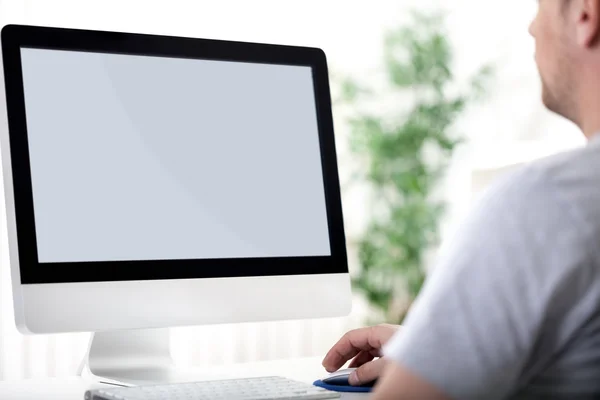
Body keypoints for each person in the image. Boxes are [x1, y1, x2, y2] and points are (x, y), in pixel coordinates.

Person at [322, 1, 600, 399]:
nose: (532, 27)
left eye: (541, 6)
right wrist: (436, 351)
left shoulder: (548, 204)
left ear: (585, 16)